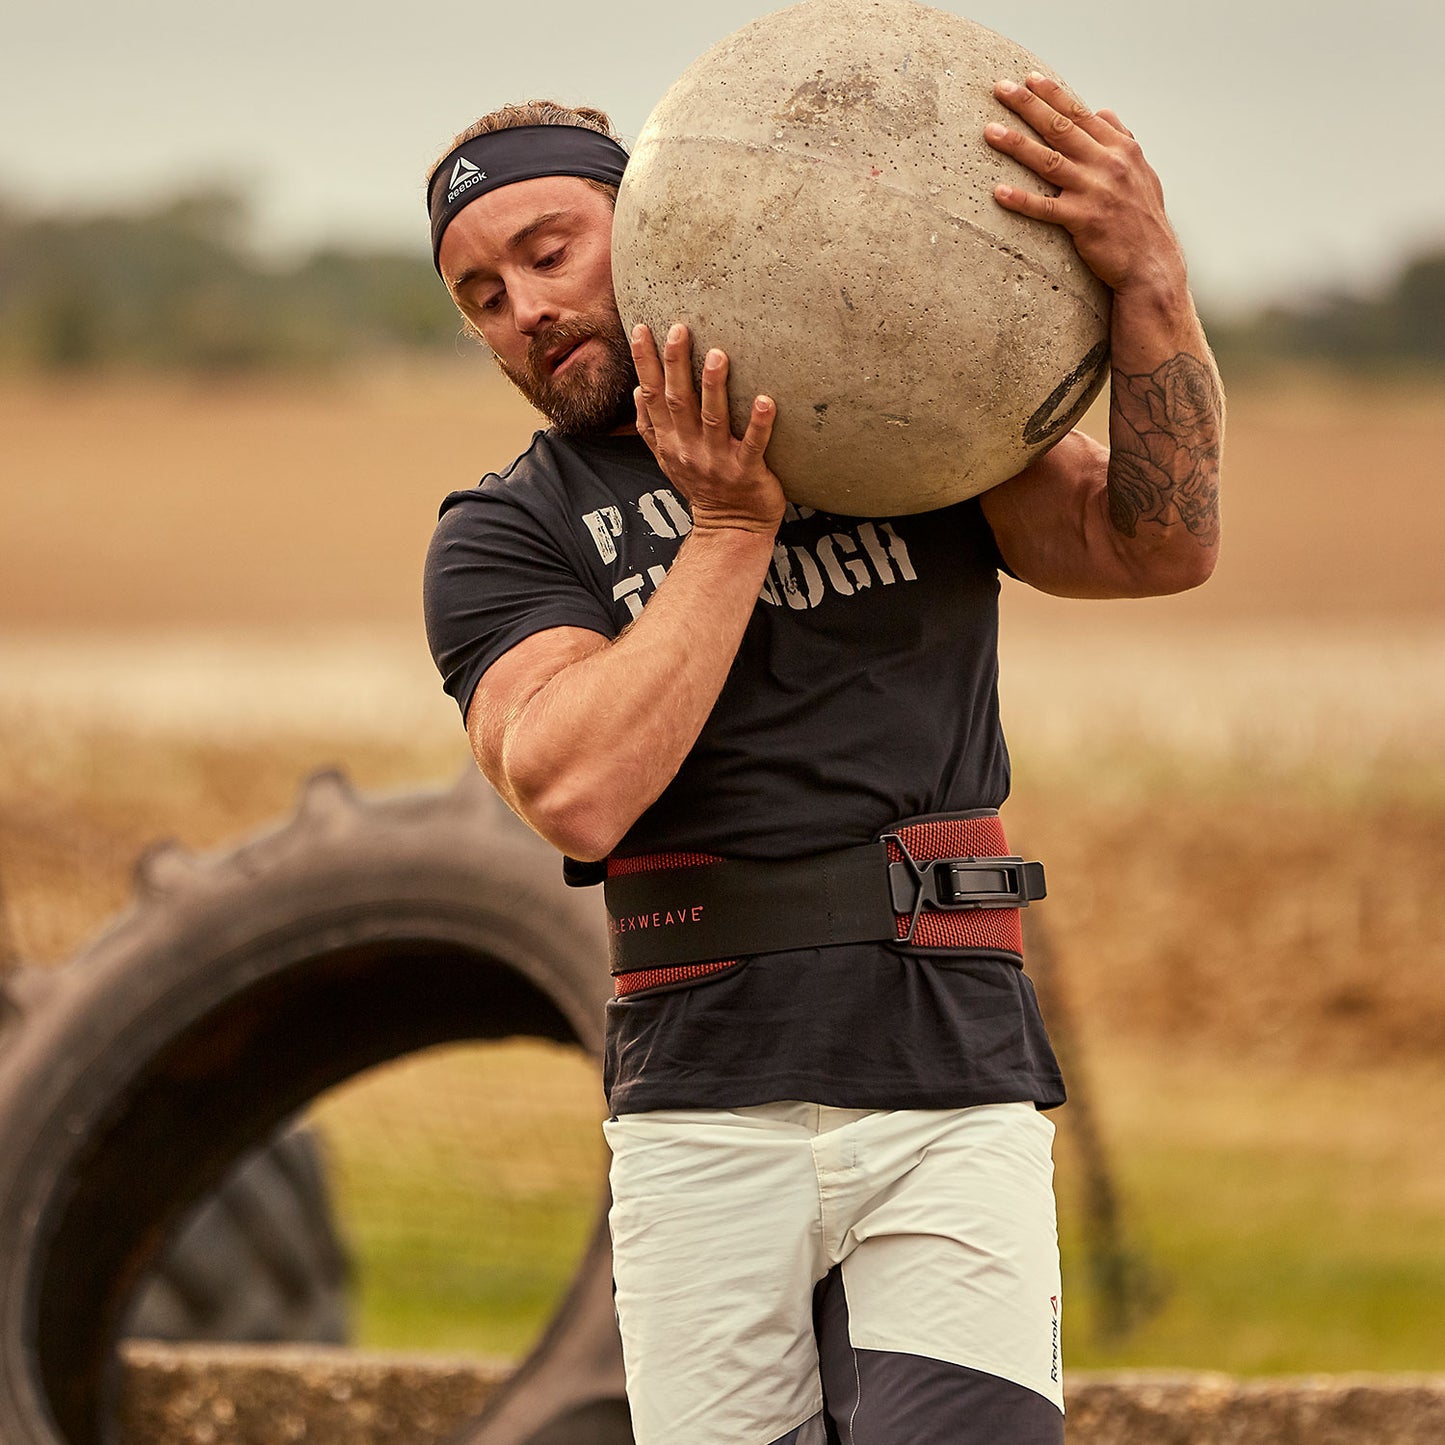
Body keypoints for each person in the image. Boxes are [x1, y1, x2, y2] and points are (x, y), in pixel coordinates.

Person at [423, 76, 1221, 1445]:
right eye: (482, 296)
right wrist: (729, 531)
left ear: (663, 218)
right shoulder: (506, 532)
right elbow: (574, 783)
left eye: (548, 253)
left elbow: (1159, 542)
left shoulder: (892, 413)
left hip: (948, 1074)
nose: (526, 310)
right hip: (699, 1111)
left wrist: (1149, 283)